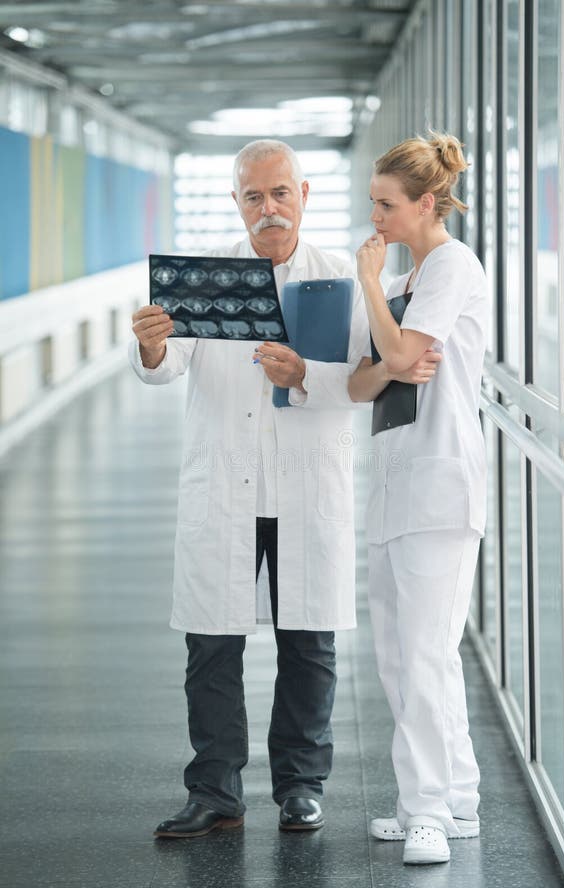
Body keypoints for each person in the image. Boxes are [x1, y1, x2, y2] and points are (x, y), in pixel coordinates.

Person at [129, 139, 377, 838]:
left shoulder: (339, 278)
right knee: (211, 646)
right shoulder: (205, 276)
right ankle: (214, 791)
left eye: (279, 193)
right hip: (225, 486)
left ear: (304, 195)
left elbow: (365, 380)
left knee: (309, 644)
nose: (268, 209)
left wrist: (305, 378)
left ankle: (301, 785)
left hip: (305, 487)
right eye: (253, 197)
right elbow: (164, 364)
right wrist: (150, 342)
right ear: (237, 202)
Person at [348, 132, 488, 865]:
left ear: (425, 203)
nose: (375, 219)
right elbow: (359, 381)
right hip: (395, 483)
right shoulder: (405, 286)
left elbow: (397, 356)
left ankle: (425, 810)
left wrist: (372, 293)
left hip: (439, 481)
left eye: (386, 206)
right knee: (404, 656)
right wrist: (390, 352)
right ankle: (453, 801)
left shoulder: (450, 267)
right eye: (373, 204)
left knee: (427, 655)